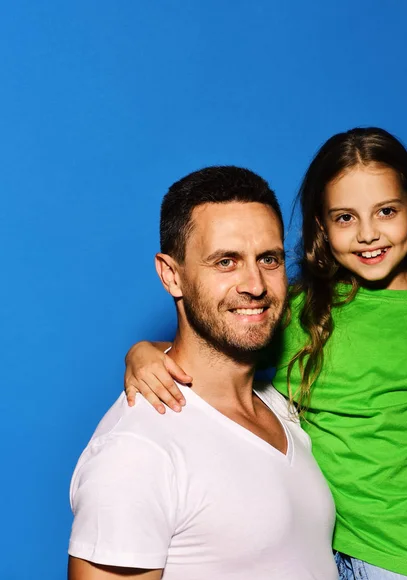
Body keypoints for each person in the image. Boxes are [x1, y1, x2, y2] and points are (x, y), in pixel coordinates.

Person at [125, 128, 407, 580]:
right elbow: (218, 347)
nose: (368, 234)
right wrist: (143, 351)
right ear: (322, 227)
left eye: (386, 211)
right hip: (311, 553)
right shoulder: (297, 310)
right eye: (345, 218)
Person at [68, 166, 338, 580]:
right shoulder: (138, 450)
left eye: (269, 259)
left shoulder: (282, 405)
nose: (255, 284)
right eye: (226, 262)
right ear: (171, 275)